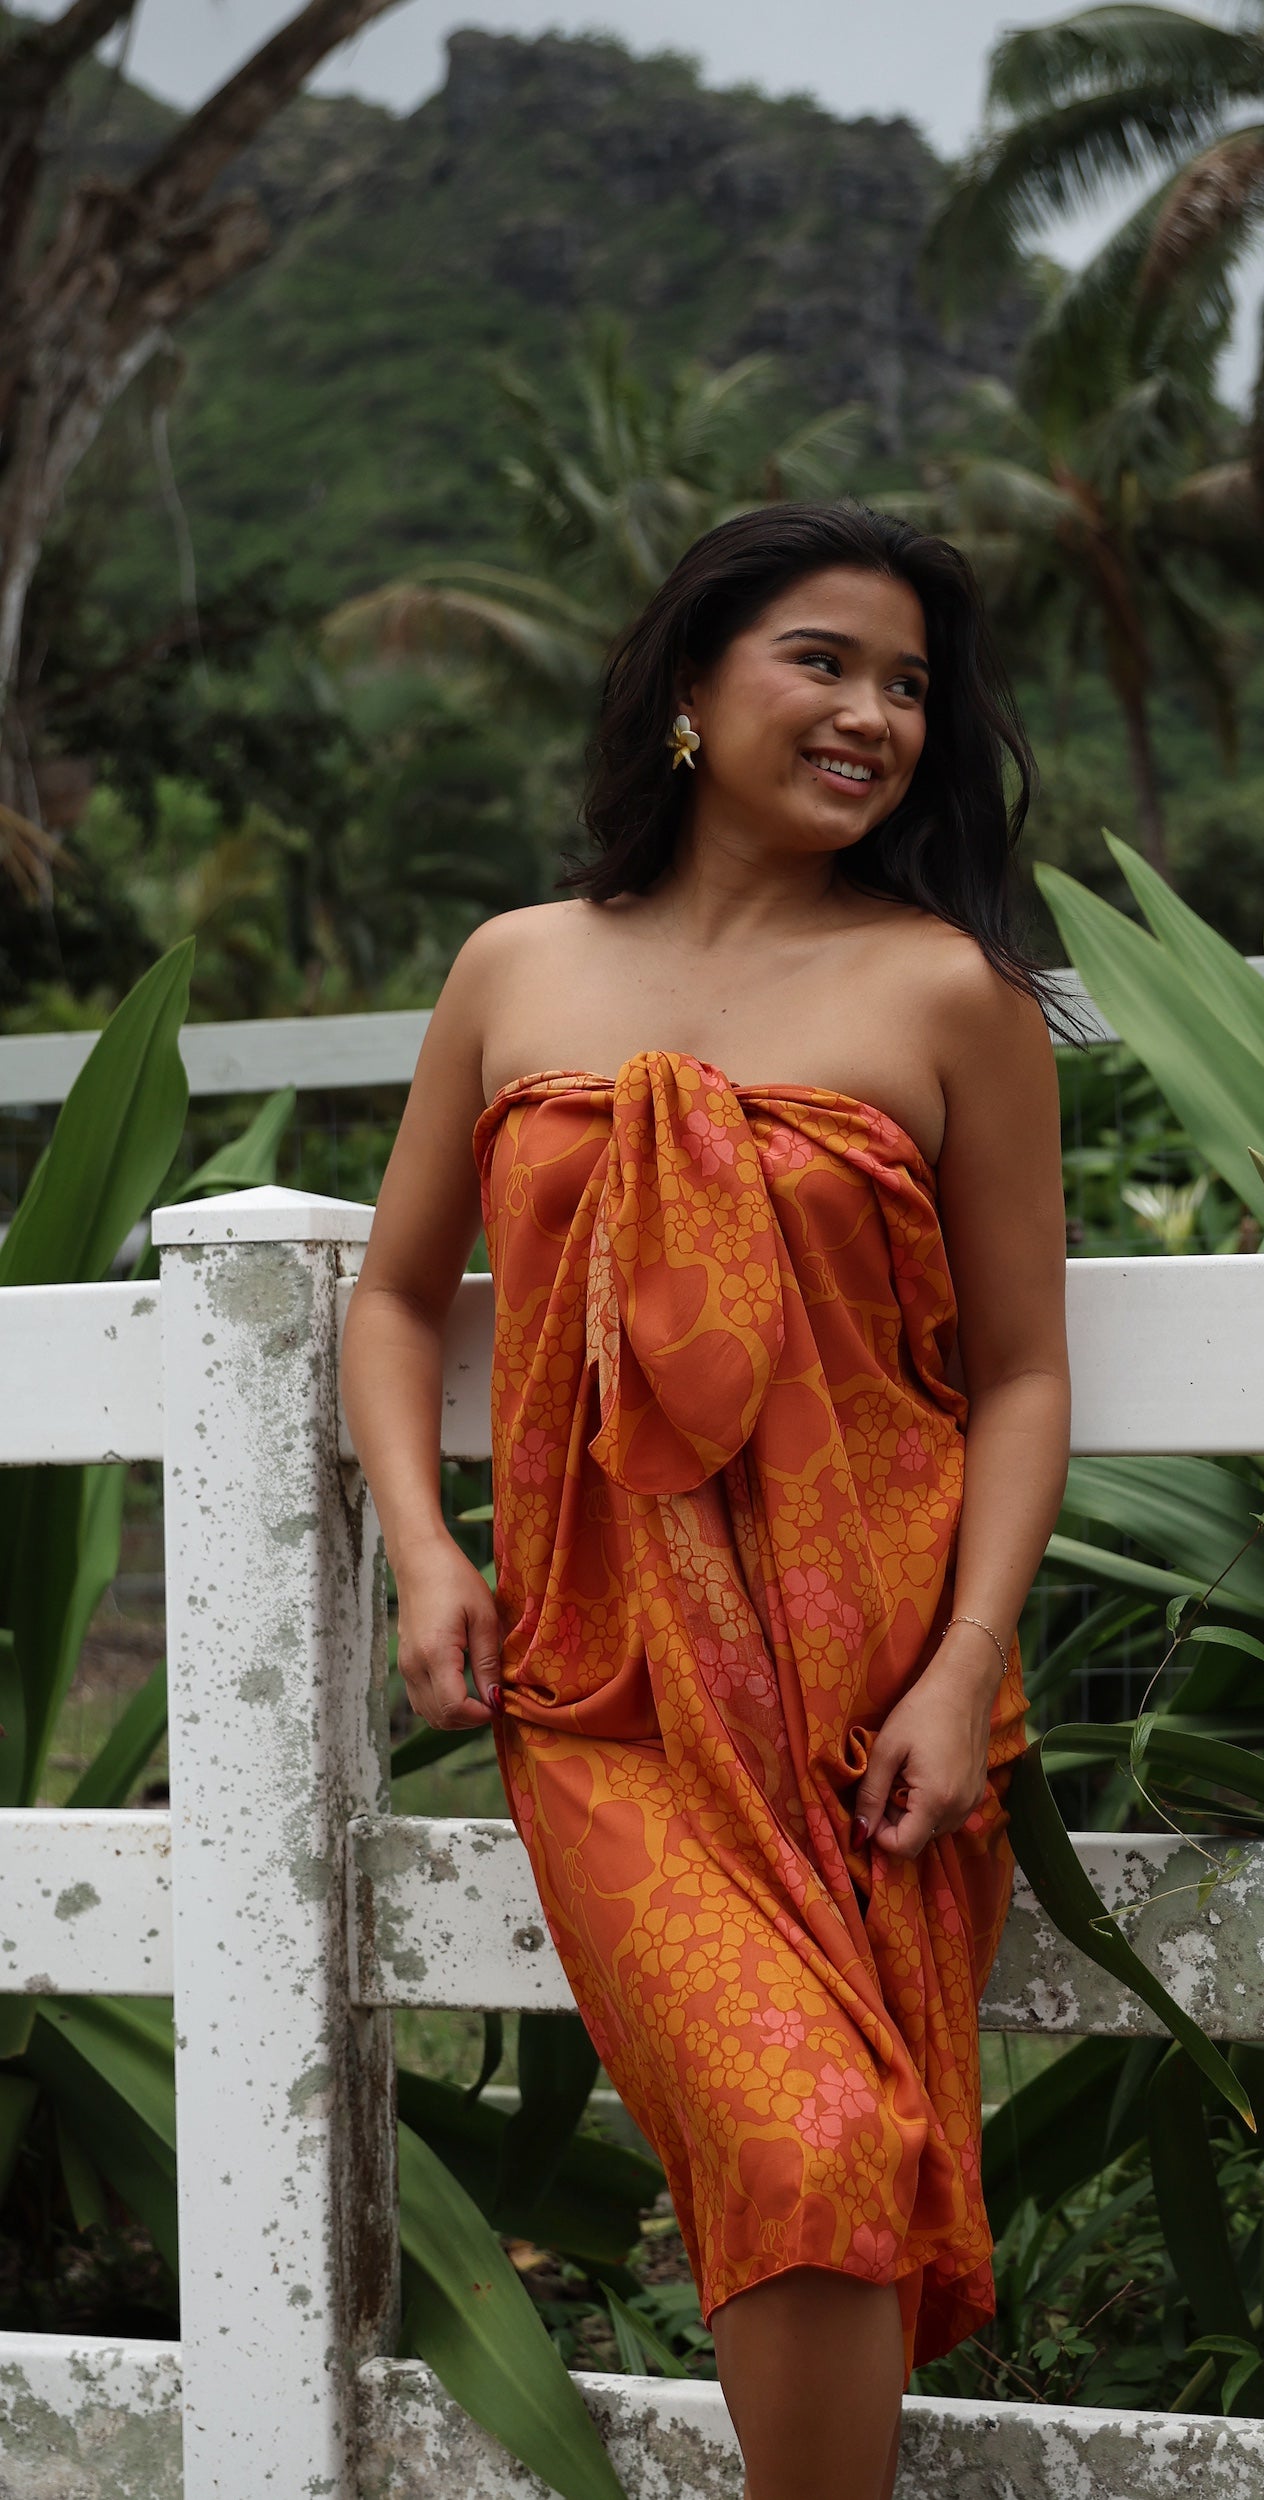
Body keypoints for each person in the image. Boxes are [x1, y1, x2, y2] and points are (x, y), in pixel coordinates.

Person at [340, 501, 1072, 2500]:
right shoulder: (520, 970)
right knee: (813, 2136)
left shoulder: (950, 996)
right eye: (822, 660)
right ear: (689, 685)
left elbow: (1020, 1371)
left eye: (912, 685)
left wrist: (962, 1666)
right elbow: (398, 1298)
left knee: (843, 2163)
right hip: (608, 1694)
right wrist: (427, 1548)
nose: (875, 714)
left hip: (865, 1701)